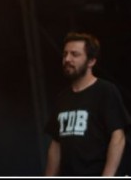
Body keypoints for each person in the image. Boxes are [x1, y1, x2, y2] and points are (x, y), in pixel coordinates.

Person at [44, 31, 131, 176]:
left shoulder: (105, 91)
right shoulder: (62, 98)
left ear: (91, 61)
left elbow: (118, 137)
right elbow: (56, 144)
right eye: (65, 54)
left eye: (74, 54)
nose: (67, 59)